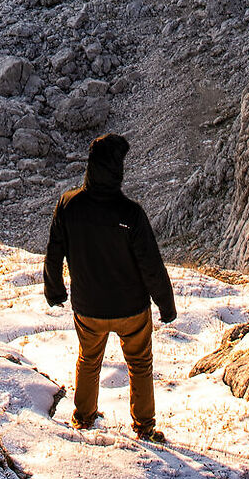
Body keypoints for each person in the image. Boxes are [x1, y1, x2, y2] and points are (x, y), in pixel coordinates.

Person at [43, 131, 177, 441]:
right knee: (140, 364)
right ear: (118, 171)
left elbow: (54, 252)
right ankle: (144, 427)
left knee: (89, 360)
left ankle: (83, 418)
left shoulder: (68, 204)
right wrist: (166, 306)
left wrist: (55, 291)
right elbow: (152, 266)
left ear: (89, 166)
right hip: (132, 308)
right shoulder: (130, 213)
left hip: (88, 308)